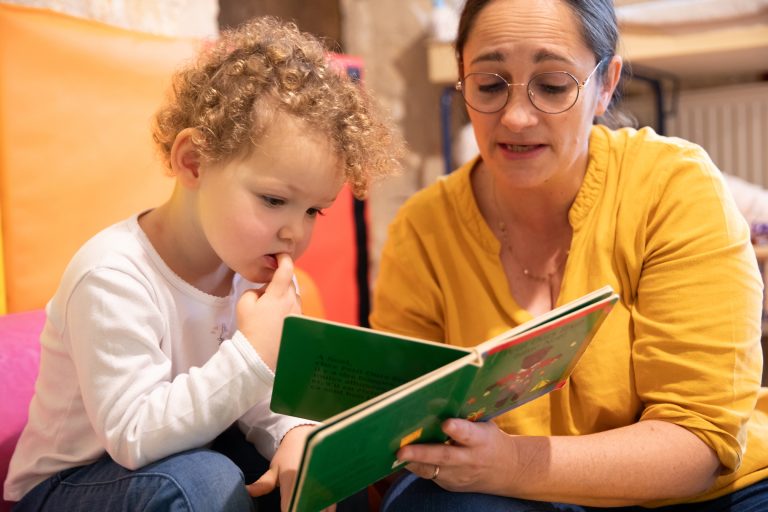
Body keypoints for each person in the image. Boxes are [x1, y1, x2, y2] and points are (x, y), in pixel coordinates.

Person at [370, 0, 768, 510]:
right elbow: (404, 431)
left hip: (710, 495)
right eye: (489, 85)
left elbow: (696, 445)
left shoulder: (674, 187)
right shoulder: (423, 229)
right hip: (515, 494)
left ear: (605, 85)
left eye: (553, 85)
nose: (515, 117)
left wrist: (512, 462)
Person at [4, 15, 401, 512]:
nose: (294, 233)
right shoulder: (111, 275)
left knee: (313, 466)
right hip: (68, 487)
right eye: (274, 200)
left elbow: (260, 399)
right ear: (193, 162)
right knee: (200, 483)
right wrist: (254, 353)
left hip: (187, 452)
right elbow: (133, 436)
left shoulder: (251, 267)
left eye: (313, 211)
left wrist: (294, 433)